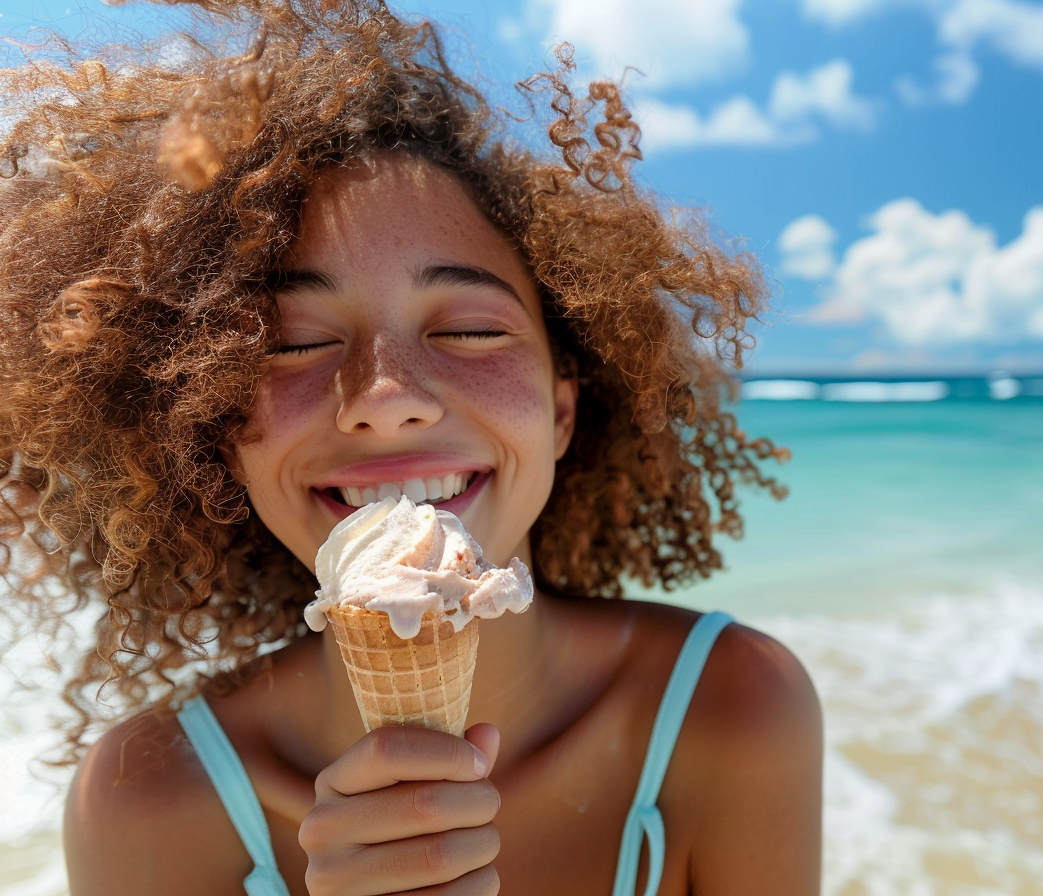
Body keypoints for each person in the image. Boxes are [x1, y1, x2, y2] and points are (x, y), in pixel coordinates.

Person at [0, 2, 822, 894]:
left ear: (561, 412)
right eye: (290, 342)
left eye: (469, 328)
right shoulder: (145, 803)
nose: (385, 402)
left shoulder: (733, 706)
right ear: (215, 435)